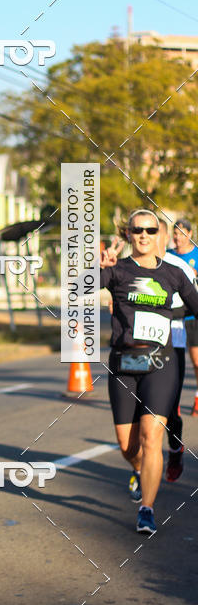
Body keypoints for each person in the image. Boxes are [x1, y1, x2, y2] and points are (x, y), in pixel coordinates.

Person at [100, 208, 198, 535]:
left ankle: (147, 509)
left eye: (149, 230)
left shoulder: (173, 273)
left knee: (151, 436)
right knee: (128, 446)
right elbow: (79, 291)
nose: (143, 235)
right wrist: (95, 269)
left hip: (162, 363)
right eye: (136, 230)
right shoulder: (116, 270)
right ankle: (140, 470)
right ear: (128, 235)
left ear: (159, 235)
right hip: (124, 363)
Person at [157, 218, 197, 481]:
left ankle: (174, 447)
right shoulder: (129, 267)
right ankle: (139, 469)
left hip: (179, 330)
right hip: (138, 346)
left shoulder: (179, 264)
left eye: (154, 232)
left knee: (170, 405)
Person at [169, 217, 198, 416]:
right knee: (174, 363)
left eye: (180, 233)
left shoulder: (197, 254)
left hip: (193, 316)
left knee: (196, 361)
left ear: (189, 234)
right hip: (174, 317)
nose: (177, 237)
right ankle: (173, 401)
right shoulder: (168, 255)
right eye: (175, 233)